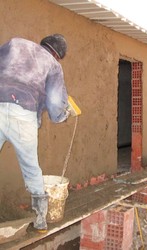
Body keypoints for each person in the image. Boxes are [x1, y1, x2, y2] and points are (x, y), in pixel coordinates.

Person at [0, 34, 70, 232]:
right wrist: (62, 116)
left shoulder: (14, 43)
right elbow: (55, 102)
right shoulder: (52, 64)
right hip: (23, 114)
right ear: (58, 55)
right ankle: (40, 220)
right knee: (31, 167)